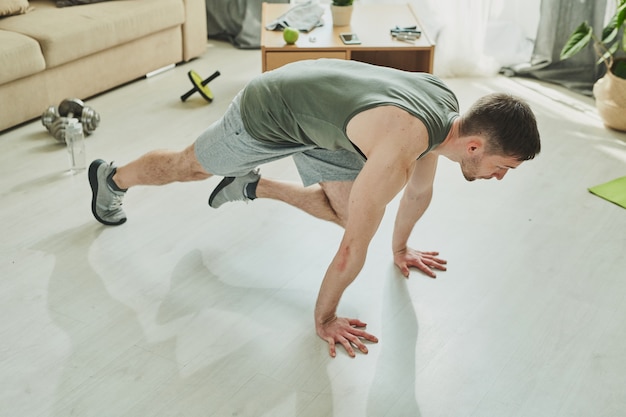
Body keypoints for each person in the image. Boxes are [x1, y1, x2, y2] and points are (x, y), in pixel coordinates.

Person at [89, 59, 541, 358]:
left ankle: (252, 186)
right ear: (476, 146)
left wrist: (400, 250)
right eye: (502, 168)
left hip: (326, 125)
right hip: (269, 111)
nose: (499, 178)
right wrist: (324, 320)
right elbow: (351, 251)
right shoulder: (399, 152)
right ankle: (110, 178)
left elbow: (419, 193)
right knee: (187, 166)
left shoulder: (445, 114)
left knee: (352, 211)